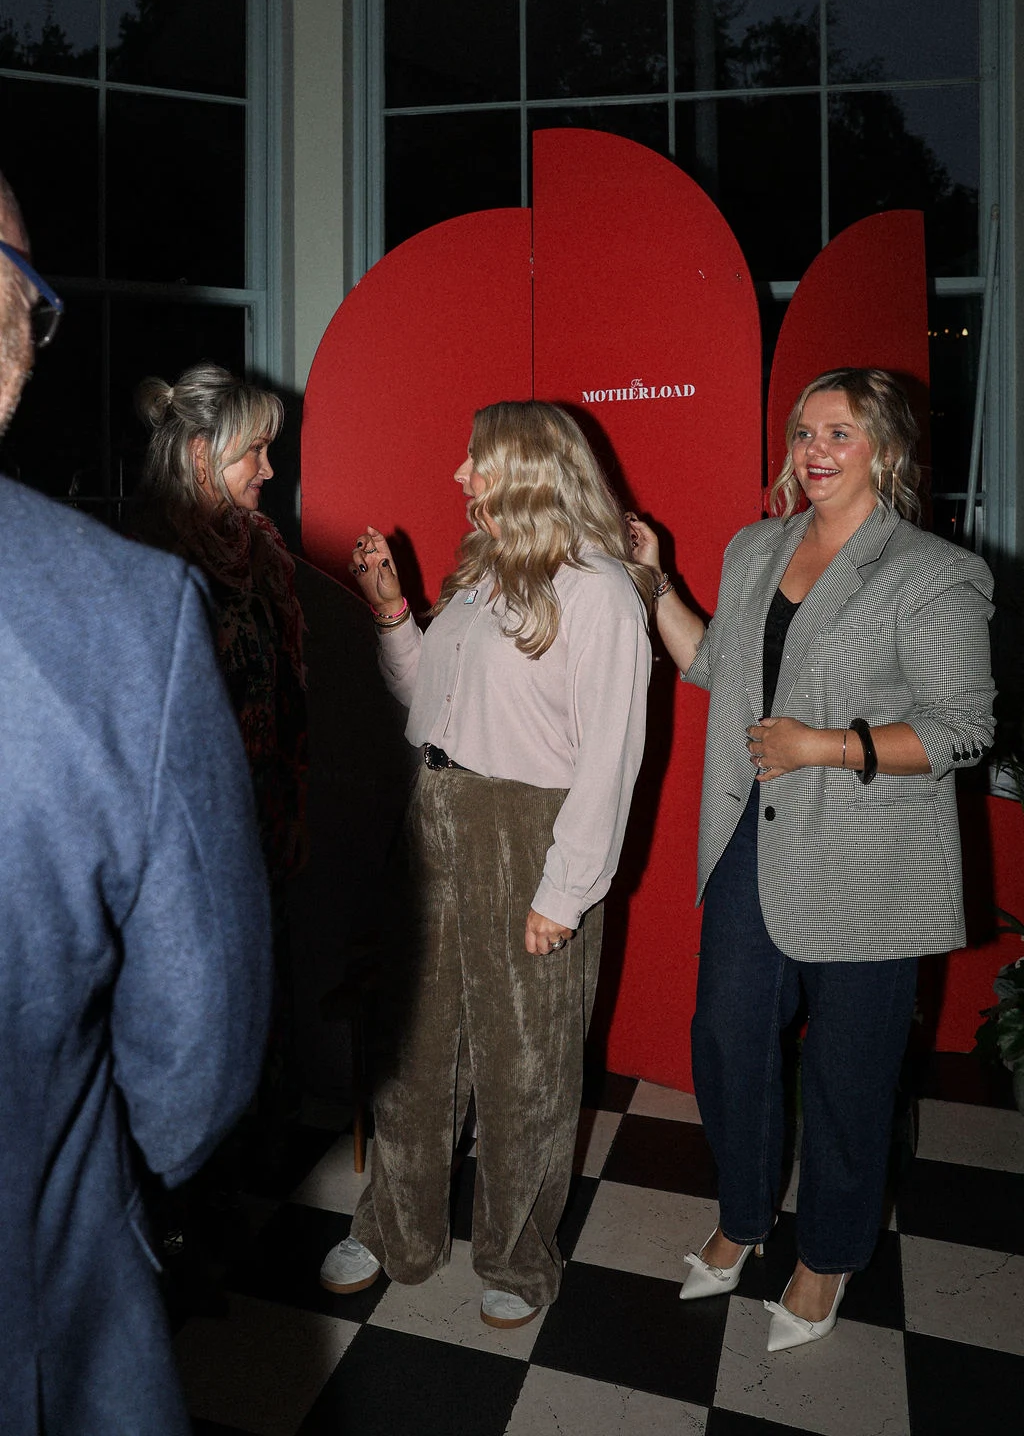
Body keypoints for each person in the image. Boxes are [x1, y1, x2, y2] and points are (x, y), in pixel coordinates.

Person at [628, 367, 995, 1351]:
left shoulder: (931, 571)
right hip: (753, 832)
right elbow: (714, 665)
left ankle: (827, 1254)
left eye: (839, 432)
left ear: (887, 448)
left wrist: (823, 746)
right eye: (803, 431)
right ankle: (745, 1215)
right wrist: (655, 580)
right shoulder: (756, 548)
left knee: (848, 1067)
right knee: (726, 1036)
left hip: (870, 855)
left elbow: (962, 727)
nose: (814, 450)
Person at [0, 174, 272, 1434]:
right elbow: (190, 1050)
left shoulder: (249, 557)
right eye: (257, 451)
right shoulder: (138, 588)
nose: (271, 473)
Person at [319, 400, 652, 1327]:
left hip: (528, 830)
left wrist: (565, 892)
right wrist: (392, 612)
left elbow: (611, 758)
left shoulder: (600, 592)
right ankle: (397, 1230)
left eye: (478, 459)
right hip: (434, 814)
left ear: (532, 470)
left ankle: (517, 1257)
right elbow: (426, 704)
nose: (461, 475)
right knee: (413, 1045)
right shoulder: (480, 575)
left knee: (526, 1060)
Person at [133, 363, 307, 894]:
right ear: (201, 455)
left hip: (263, 819)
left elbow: (288, 690)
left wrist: (292, 804)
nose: (269, 469)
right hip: (181, 831)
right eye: (255, 450)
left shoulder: (262, 547)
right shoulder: (147, 563)